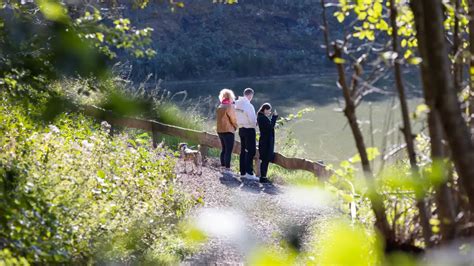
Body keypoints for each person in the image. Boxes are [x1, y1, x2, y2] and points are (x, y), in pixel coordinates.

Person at [235, 88, 259, 181]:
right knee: (251, 151)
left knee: (243, 151)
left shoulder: (236, 104)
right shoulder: (249, 106)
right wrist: (255, 124)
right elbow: (253, 120)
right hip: (249, 129)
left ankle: (242, 172)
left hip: (241, 129)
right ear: (250, 95)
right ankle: (249, 173)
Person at [216, 88, 238, 175]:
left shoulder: (220, 106)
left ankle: (222, 167)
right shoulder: (229, 106)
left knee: (223, 149)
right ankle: (227, 169)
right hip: (228, 130)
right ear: (230, 96)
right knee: (229, 150)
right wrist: (236, 126)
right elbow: (233, 119)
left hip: (220, 130)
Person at [257, 103, 278, 183]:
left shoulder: (261, 117)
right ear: (265, 109)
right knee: (265, 159)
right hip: (266, 142)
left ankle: (263, 177)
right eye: (269, 111)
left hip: (264, 141)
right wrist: (274, 117)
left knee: (265, 160)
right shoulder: (262, 118)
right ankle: (263, 177)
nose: (269, 113)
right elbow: (270, 127)